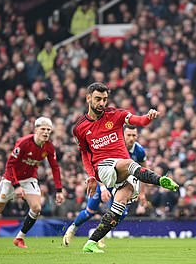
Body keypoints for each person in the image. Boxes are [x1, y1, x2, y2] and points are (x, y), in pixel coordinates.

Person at [72, 82, 179, 253]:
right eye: (98, 99)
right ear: (88, 98)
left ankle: (91, 243)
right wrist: (91, 176)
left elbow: (139, 120)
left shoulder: (116, 114)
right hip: (104, 168)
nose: (102, 103)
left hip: (121, 168)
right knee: (129, 164)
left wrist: (148, 117)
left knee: (119, 206)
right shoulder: (79, 128)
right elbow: (85, 154)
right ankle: (160, 180)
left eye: (105, 99)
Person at [0, 117, 64, 248]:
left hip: (29, 179)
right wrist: (16, 186)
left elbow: (55, 167)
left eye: (48, 130)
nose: (46, 132)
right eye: (43, 129)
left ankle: (19, 238)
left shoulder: (49, 147)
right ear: (36, 130)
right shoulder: (23, 143)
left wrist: (59, 190)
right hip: (11, 178)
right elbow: (10, 165)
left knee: (36, 208)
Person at [62, 125, 146, 247]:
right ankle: (72, 229)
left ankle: (101, 234)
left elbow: (143, 171)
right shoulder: (114, 146)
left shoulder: (139, 151)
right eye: (128, 135)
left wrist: (142, 193)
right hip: (104, 181)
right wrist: (102, 188)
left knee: (120, 214)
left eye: (134, 135)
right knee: (90, 211)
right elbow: (100, 167)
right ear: (122, 135)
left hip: (120, 185)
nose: (131, 138)